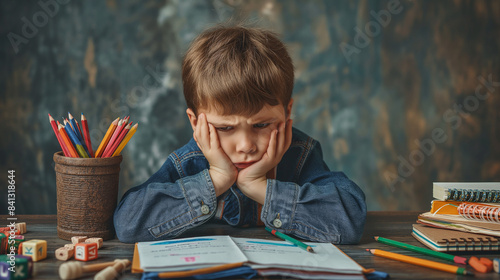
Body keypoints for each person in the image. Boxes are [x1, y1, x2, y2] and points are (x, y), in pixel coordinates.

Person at [114, 24, 366, 244]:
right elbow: (128, 222)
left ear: (287, 112)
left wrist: (259, 187)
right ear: (195, 122)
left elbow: (350, 220)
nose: (246, 145)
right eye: (225, 128)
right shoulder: (190, 160)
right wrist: (217, 178)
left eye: (261, 125)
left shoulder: (298, 153)